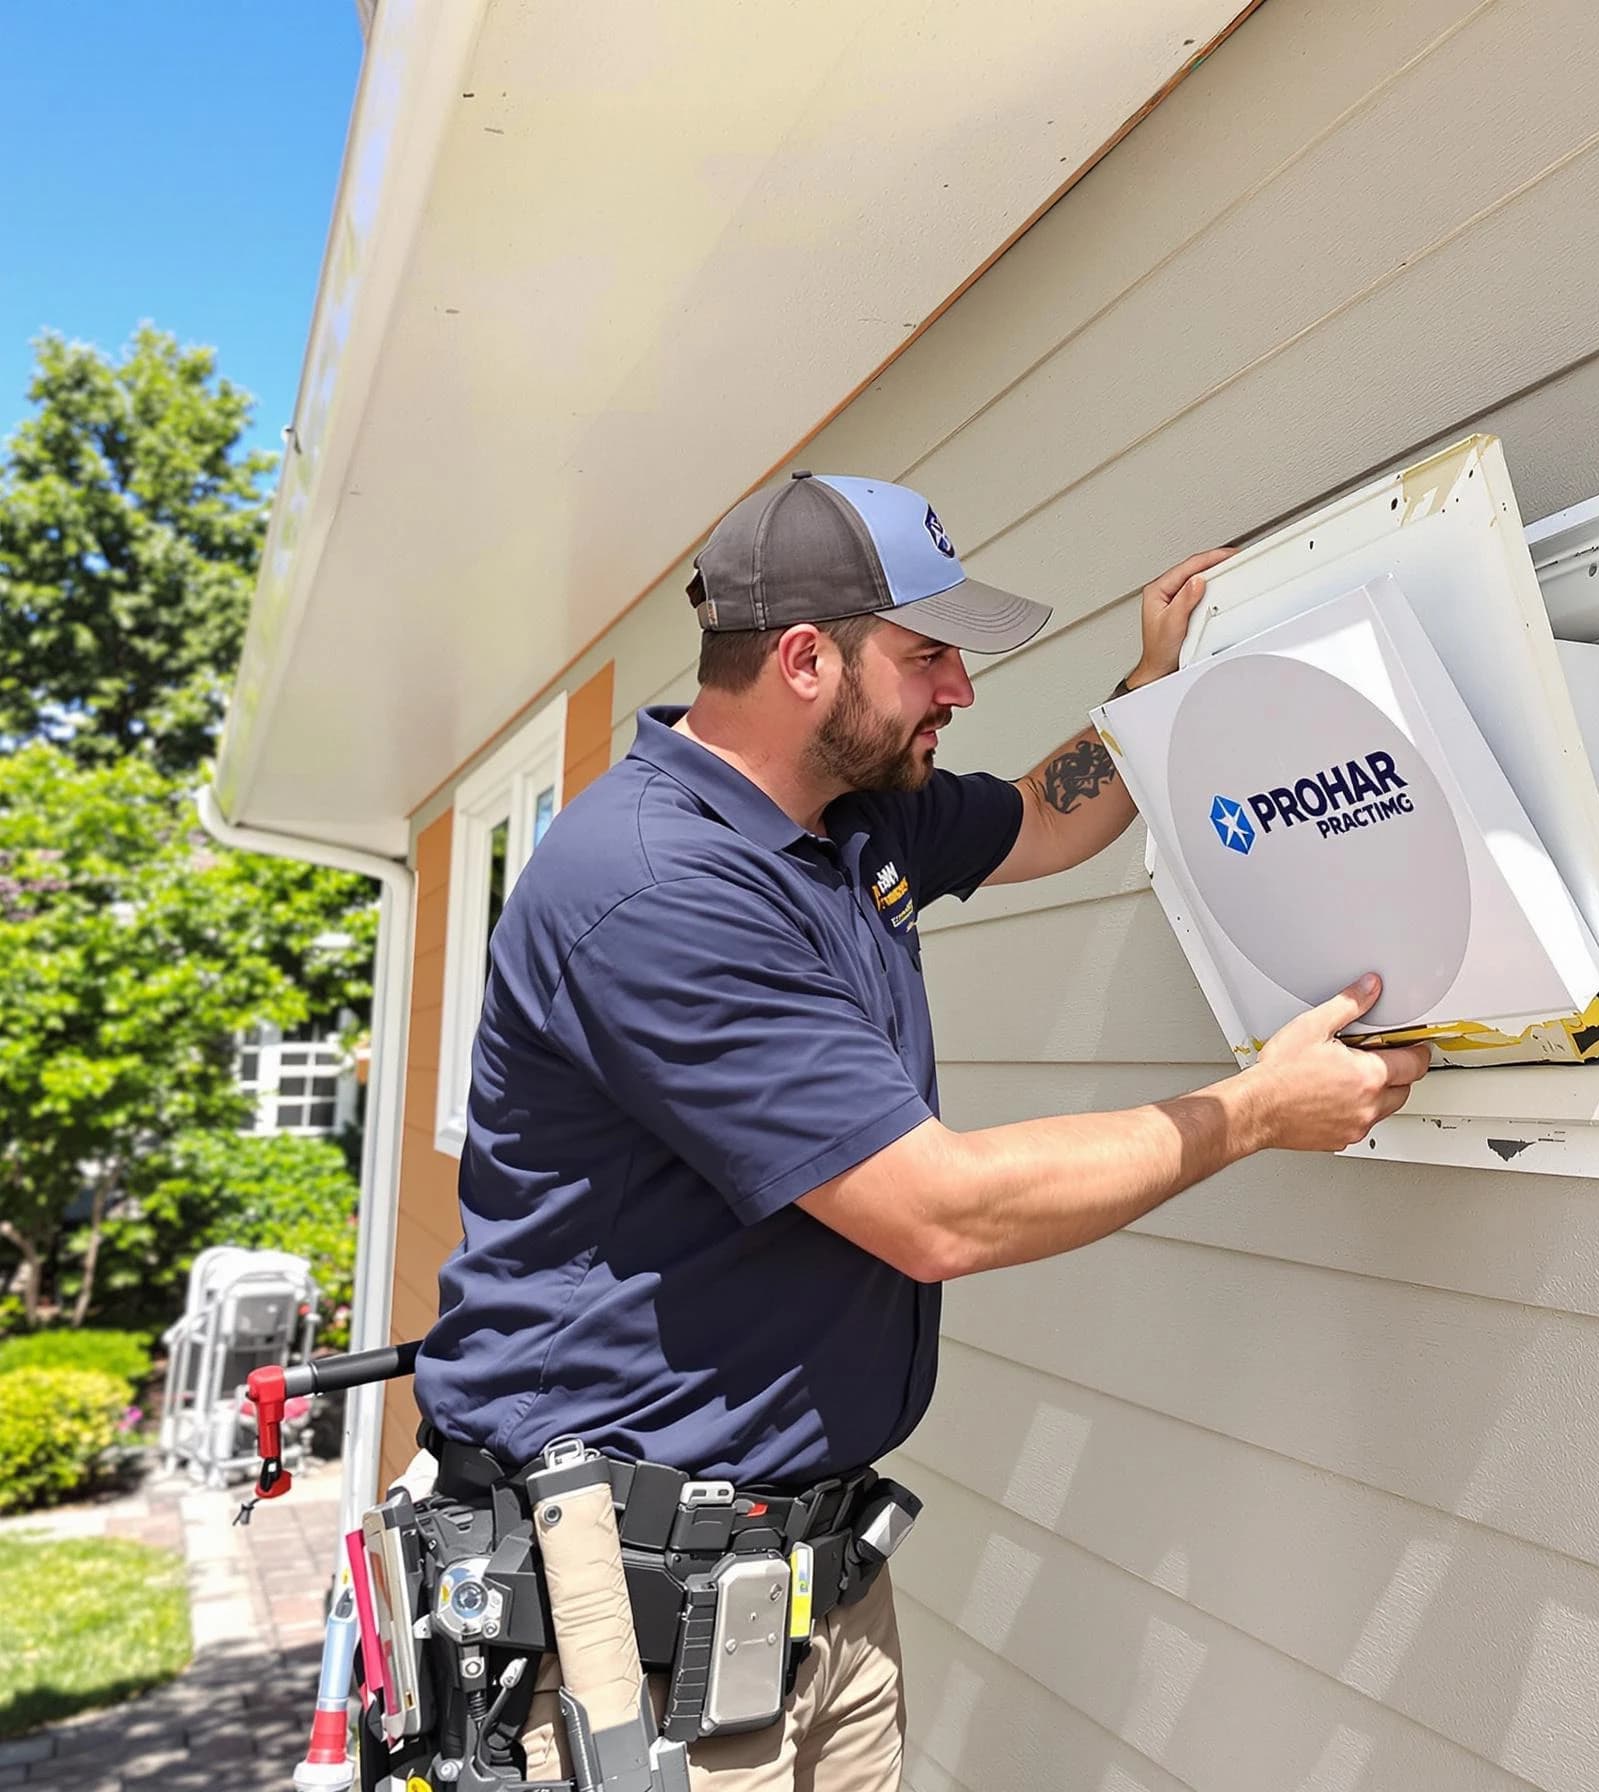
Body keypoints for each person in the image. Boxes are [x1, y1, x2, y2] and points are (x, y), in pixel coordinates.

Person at [411, 470, 1430, 1789]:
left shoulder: (848, 816)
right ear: (801, 661)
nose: (959, 688)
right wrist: (1254, 1112)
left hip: (809, 1588)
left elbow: (1049, 820)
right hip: (627, 1633)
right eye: (926, 655)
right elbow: (935, 1212)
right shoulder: (658, 888)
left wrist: (1157, 680)